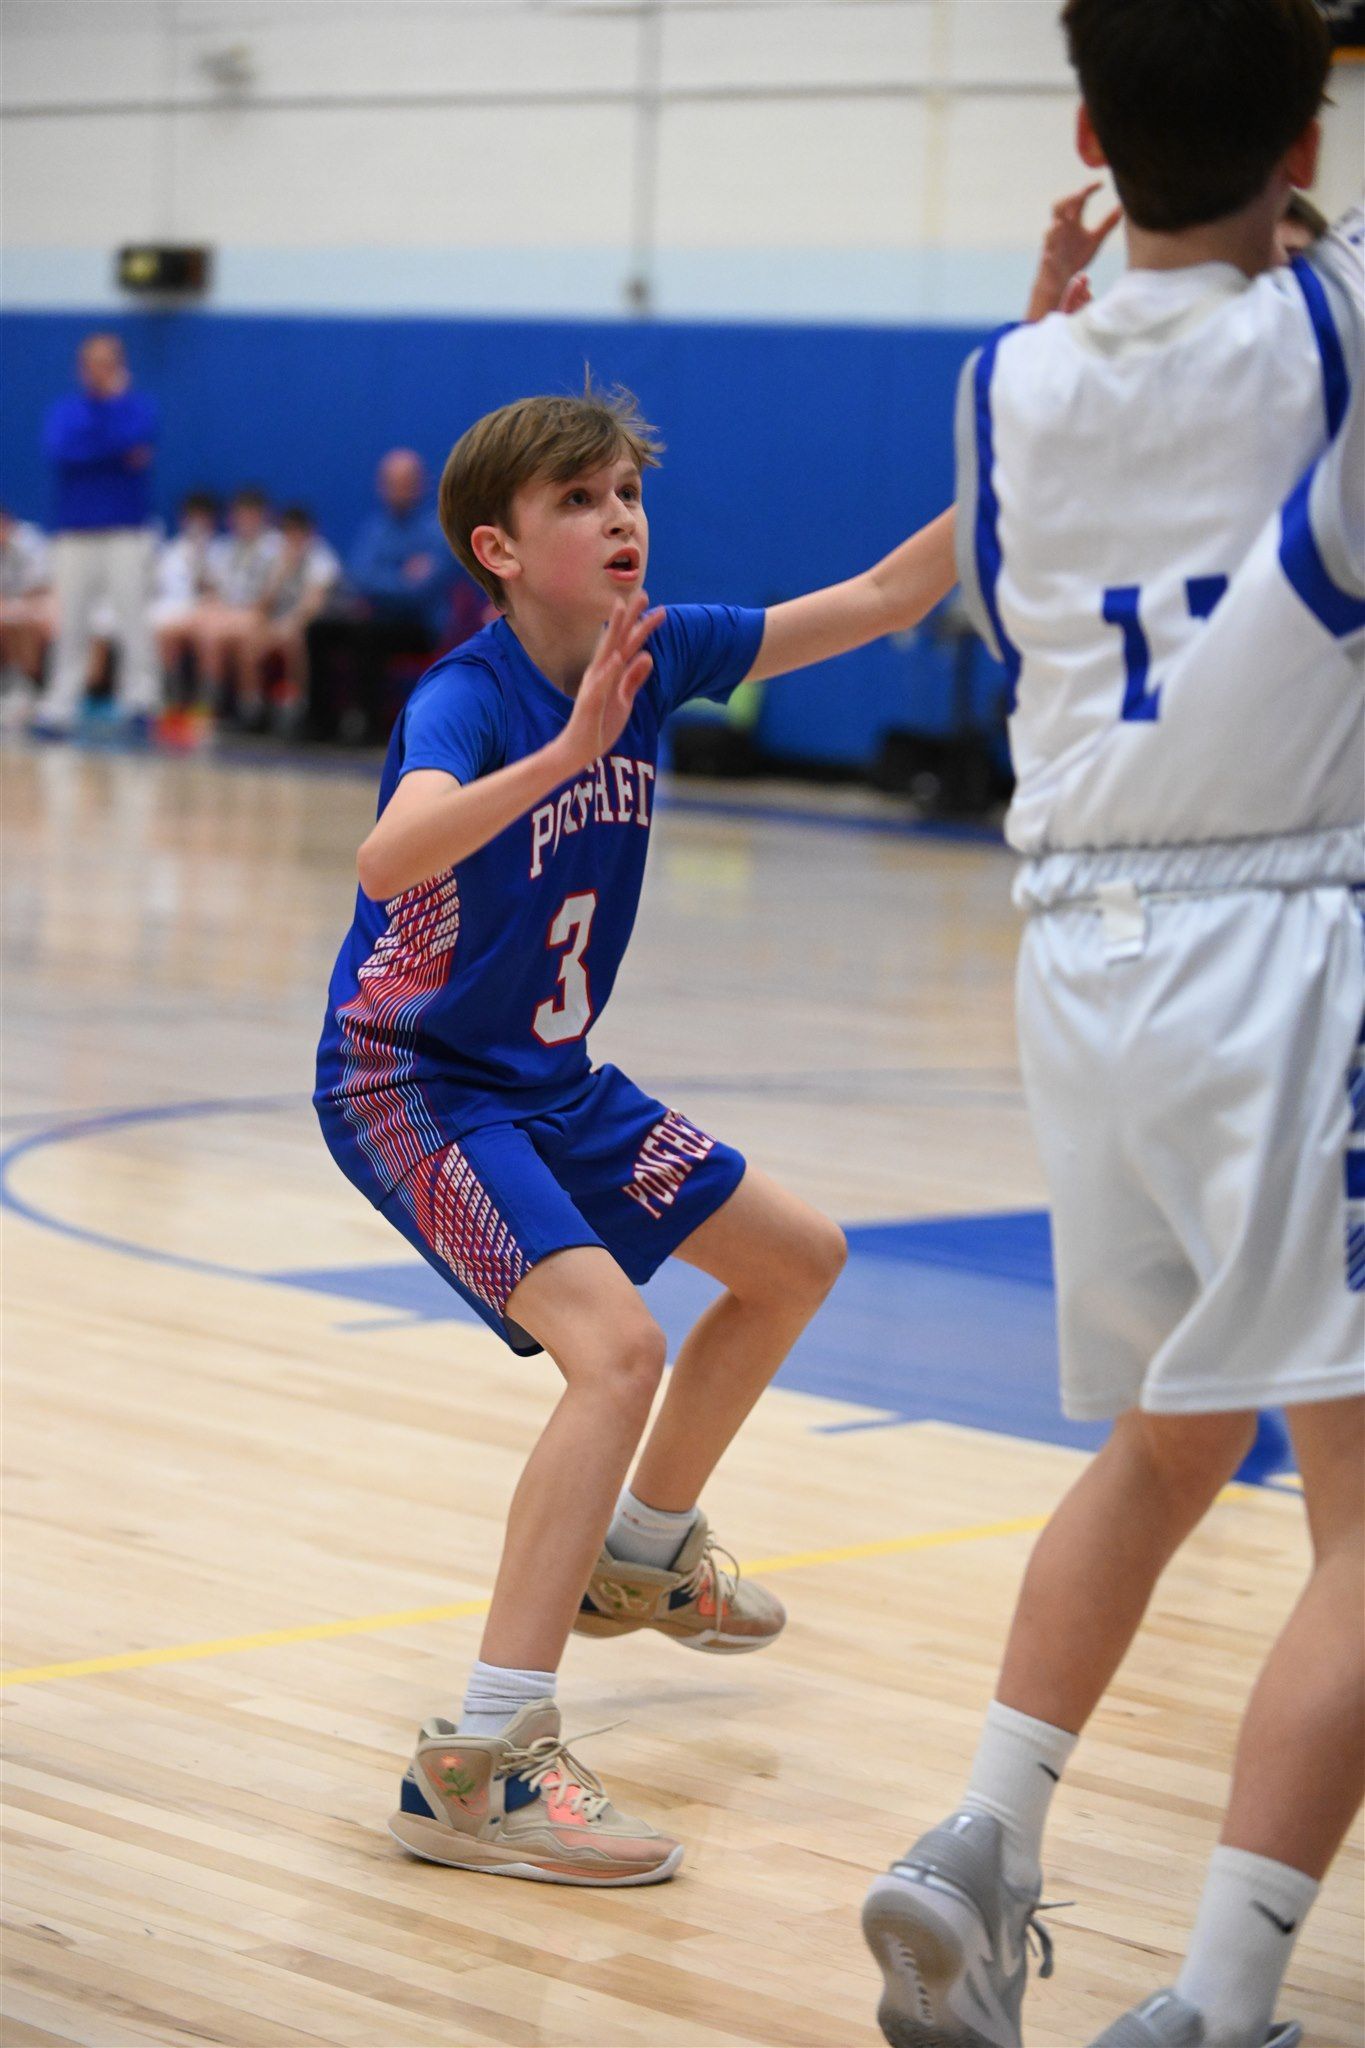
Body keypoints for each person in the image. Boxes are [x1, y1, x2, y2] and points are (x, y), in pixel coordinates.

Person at [862, 4, 1362, 2045]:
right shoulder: (1328, 335)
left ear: (1078, 131)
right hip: (1286, 951)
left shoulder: (1003, 381)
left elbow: (1021, 520)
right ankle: (1221, 2002)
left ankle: (980, 1842)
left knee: (1167, 1435)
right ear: (1306, 133)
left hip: (1077, 956)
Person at [313, 383, 959, 1886]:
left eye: (627, 494)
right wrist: (559, 754)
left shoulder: (659, 652)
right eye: (580, 502)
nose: (620, 519)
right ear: (497, 546)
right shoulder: (468, 699)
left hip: (550, 1078)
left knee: (796, 1258)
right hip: (410, 1084)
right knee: (614, 1349)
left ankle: (646, 1554)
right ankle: (481, 1761)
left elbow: (883, 593)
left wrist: (1046, 440)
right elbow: (387, 849)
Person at [34, 333, 160, 738]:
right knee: (70, 623)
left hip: (126, 531)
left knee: (133, 621)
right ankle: (59, 706)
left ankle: (140, 701)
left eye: (107, 362)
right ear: (79, 367)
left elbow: (138, 441)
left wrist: (113, 418)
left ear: (120, 365)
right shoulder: (67, 411)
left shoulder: (136, 407)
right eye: (91, 362)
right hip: (75, 533)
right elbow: (62, 450)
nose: (98, 371)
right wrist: (115, 452)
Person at [306, 449, 476, 742]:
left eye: (405, 481)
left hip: (420, 627)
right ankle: (320, 724)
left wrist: (383, 581)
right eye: (391, 481)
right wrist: (399, 576)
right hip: (375, 618)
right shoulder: (374, 529)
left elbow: (420, 593)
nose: (397, 489)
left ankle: (367, 727)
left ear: (421, 483)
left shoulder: (438, 531)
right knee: (319, 630)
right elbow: (357, 577)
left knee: (369, 636)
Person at [236, 505, 340, 730]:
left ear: (309, 534)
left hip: (310, 630)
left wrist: (287, 626)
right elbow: (262, 607)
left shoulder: (322, 559)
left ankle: (295, 707)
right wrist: (280, 574)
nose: (294, 540)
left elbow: (312, 606)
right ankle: (251, 707)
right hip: (278, 626)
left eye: (298, 534)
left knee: (294, 640)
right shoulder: (275, 558)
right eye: (289, 534)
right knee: (250, 638)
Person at [188, 487, 281, 722]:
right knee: (208, 628)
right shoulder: (224, 548)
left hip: (263, 615)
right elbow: (212, 589)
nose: (245, 523)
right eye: (240, 517)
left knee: (234, 632)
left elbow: (270, 599)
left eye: (251, 516)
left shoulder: (275, 548)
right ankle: (210, 701)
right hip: (230, 614)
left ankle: (249, 706)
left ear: (264, 517)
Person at [0, 506, 54, 724]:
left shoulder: (29, 542)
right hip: (10, 607)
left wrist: (14, 604)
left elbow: (43, 588)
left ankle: (28, 687)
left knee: (24, 620)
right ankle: (13, 684)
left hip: (40, 604)